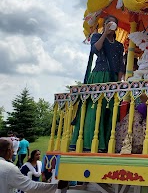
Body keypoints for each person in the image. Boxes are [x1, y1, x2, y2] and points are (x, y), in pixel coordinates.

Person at [70, 15, 125, 152]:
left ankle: (105, 144)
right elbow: (95, 50)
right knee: (94, 109)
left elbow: (120, 65)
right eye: (107, 22)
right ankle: (88, 143)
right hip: (99, 76)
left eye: (112, 23)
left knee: (110, 110)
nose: (110, 24)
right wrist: (104, 33)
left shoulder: (119, 45)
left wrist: (119, 82)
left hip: (112, 79)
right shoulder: (96, 37)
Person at [0, 138, 68, 193]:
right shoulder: (9, 168)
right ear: (9, 151)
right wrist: (56, 186)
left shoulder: (39, 163)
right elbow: (30, 186)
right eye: (13, 150)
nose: (13, 152)